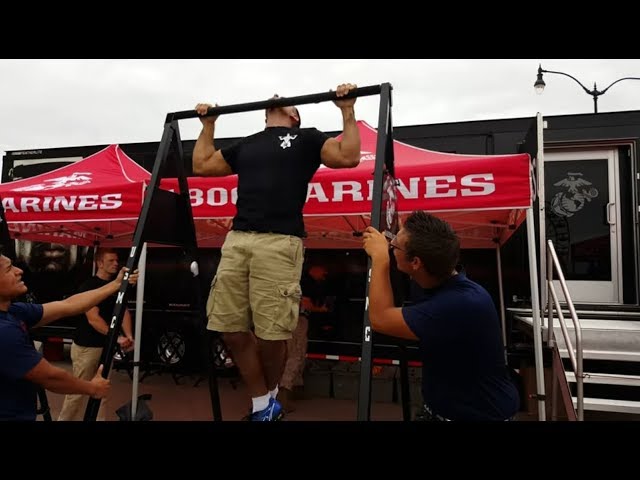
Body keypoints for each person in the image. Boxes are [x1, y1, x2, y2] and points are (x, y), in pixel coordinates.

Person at [193, 83, 361, 421]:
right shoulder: (250, 143)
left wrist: (347, 109)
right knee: (228, 327)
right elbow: (202, 165)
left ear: (294, 115)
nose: (277, 97)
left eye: (286, 103)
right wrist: (208, 125)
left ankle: (266, 401)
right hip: (238, 238)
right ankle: (264, 403)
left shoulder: (308, 138)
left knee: (273, 333)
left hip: (279, 241)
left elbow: (349, 156)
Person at [361, 211, 520, 421]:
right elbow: (416, 255)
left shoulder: (459, 304)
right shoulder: (437, 278)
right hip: (445, 410)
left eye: (394, 245)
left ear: (416, 262)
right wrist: (398, 232)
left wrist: (380, 259)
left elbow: (380, 318)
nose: (390, 246)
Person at [0, 248, 138, 421]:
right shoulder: (4, 331)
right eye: (9, 269)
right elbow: (50, 377)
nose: (19, 271)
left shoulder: (15, 311)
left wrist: (116, 284)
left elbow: (68, 305)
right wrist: (92, 388)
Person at [58, 248, 135, 421]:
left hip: (105, 346)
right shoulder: (89, 286)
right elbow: (93, 319)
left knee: (102, 392)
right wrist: (117, 337)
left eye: (117, 260)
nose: (116, 263)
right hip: (87, 347)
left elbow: (124, 311)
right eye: (110, 261)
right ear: (99, 263)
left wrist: (128, 335)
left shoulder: (118, 286)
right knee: (77, 391)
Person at [278, 263, 331, 413]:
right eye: (324, 272)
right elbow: (306, 305)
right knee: (296, 354)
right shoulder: (306, 282)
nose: (324, 275)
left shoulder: (295, 279)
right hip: (297, 320)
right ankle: (284, 394)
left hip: (285, 319)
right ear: (316, 268)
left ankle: (296, 388)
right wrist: (321, 309)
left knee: (294, 353)